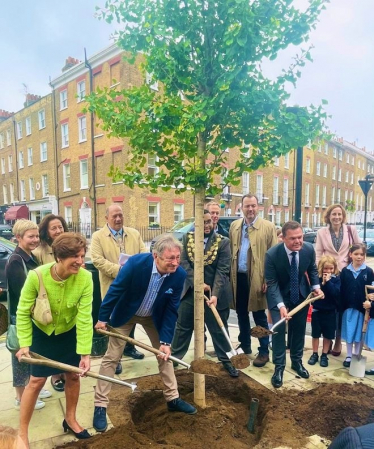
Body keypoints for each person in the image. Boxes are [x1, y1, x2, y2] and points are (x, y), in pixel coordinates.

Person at [93, 234, 197, 433]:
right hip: (127, 313)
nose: (175, 263)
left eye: (178, 257)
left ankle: (172, 399)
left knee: (165, 355)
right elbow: (115, 290)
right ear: (156, 256)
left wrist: (166, 341)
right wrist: (103, 317)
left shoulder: (179, 275)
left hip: (153, 316)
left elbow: (171, 310)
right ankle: (100, 405)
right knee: (112, 357)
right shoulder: (135, 264)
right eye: (170, 258)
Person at [16, 233, 93, 448]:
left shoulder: (86, 278)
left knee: (74, 376)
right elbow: (22, 312)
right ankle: (22, 433)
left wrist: (85, 353)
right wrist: (25, 344)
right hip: (42, 332)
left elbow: (85, 317)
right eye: (74, 257)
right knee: (36, 382)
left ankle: (70, 419)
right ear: (59, 257)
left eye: (82, 255)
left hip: (69, 332)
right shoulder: (37, 276)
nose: (80, 261)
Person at [172, 210, 239, 377]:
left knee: (218, 329)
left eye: (209, 221)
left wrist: (214, 293)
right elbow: (184, 263)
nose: (207, 225)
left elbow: (222, 270)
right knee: (182, 327)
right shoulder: (188, 239)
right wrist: (198, 284)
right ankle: (173, 359)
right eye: (203, 222)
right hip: (191, 292)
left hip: (214, 295)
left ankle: (227, 361)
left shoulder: (223, 242)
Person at [265, 221, 324, 388]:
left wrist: (316, 287)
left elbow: (312, 268)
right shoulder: (272, 255)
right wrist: (281, 306)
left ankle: (296, 362)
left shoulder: (308, 249)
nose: (298, 241)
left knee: (298, 329)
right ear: (283, 238)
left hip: (300, 294)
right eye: (293, 239)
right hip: (279, 295)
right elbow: (272, 283)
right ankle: (279, 367)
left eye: (300, 237)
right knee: (278, 330)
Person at [91, 204, 147, 374]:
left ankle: (130, 347)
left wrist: (135, 269)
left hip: (132, 287)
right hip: (112, 286)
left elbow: (144, 254)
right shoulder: (98, 237)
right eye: (114, 216)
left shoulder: (134, 234)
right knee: (114, 321)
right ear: (106, 218)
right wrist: (121, 271)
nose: (118, 219)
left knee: (132, 317)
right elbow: (97, 260)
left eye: (120, 215)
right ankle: (116, 358)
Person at [5, 219, 51, 412]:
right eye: (30, 236)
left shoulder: (29, 257)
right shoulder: (16, 260)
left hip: (32, 316)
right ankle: (20, 397)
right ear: (18, 238)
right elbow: (23, 292)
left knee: (31, 353)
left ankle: (33, 389)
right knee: (20, 357)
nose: (35, 240)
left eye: (36, 236)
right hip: (21, 317)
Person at [229, 194, 277, 367]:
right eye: (247, 206)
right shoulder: (235, 226)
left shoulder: (268, 227)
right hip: (238, 276)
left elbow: (274, 256)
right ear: (241, 207)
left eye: (253, 206)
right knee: (241, 313)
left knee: (259, 316)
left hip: (258, 278)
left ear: (258, 207)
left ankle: (264, 351)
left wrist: (268, 279)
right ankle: (245, 345)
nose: (250, 209)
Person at [315, 204, 361, 357]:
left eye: (339, 214)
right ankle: (326, 340)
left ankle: (338, 340)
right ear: (328, 216)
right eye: (334, 214)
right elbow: (318, 253)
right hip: (329, 273)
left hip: (346, 274)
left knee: (341, 308)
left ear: (343, 216)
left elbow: (358, 248)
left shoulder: (350, 230)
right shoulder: (322, 232)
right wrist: (319, 273)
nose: (337, 217)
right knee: (329, 308)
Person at [33, 214, 69, 392]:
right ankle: (55, 376)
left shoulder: (69, 247)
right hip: (48, 304)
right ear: (46, 232)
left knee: (64, 341)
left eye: (60, 227)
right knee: (52, 341)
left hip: (67, 302)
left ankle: (64, 371)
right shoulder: (39, 251)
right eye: (53, 228)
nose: (58, 230)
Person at [340, 243, 374, 368]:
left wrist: (370, 300)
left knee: (360, 332)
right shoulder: (345, 271)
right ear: (350, 255)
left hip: (362, 308)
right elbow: (341, 289)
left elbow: (371, 289)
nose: (359, 257)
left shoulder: (368, 272)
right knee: (349, 330)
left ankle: (356, 354)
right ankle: (349, 355)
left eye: (362, 254)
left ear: (365, 256)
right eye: (356, 254)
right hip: (348, 307)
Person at [308, 256, 341, 368]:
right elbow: (312, 292)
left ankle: (324, 355)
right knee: (315, 334)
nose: (328, 271)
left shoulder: (336, 280)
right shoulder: (316, 279)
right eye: (325, 269)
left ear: (334, 268)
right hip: (317, 311)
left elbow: (335, 293)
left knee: (328, 335)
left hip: (330, 312)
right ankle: (315, 353)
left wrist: (328, 282)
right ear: (321, 268)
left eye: (331, 269)